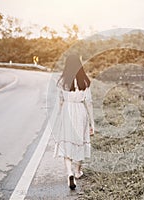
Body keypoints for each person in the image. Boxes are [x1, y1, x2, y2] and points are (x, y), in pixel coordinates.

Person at [52, 54, 94, 190]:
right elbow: (89, 102)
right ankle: (77, 171)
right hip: (80, 111)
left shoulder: (62, 81)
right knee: (80, 141)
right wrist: (93, 123)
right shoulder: (85, 81)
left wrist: (58, 118)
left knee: (66, 143)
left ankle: (69, 173)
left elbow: (59, 102)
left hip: (66, 112)